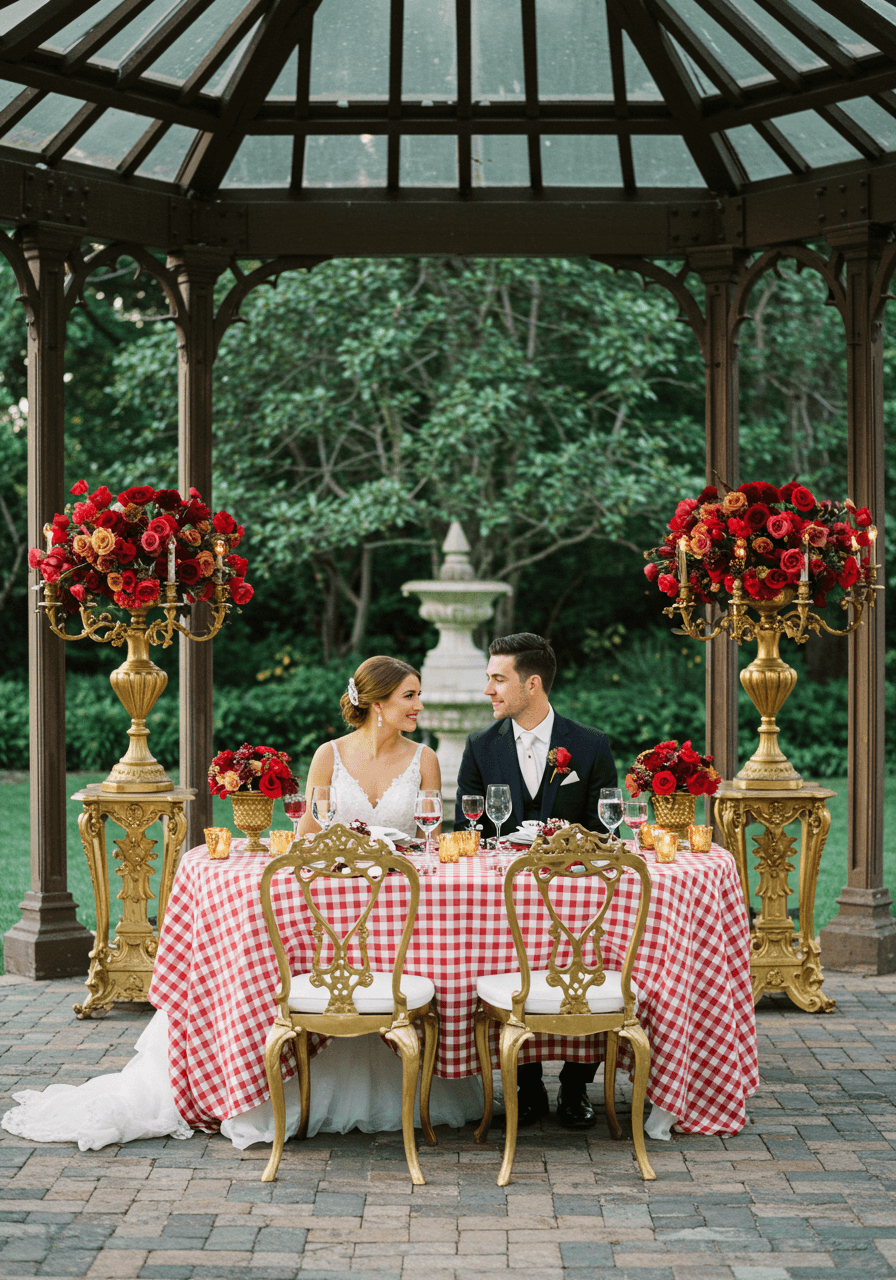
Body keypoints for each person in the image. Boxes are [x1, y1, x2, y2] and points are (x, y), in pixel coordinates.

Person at [454, 632, 618, 1131]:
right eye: (488, 678)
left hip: (576, 890)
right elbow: (469, 828)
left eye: (498, 679)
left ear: (532, 683)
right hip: (504, 892)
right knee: (502, 958)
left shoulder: (590, 744)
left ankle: (575, 1082)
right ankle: (524, 1085)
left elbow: (606, 826)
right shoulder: (481, 747)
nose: (489, 690)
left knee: (592, 961)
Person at [299, 654, 440, 838]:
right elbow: (306, 837)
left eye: (418, 695)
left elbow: (431, 842)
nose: (419, 705)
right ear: (377, 704)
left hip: (407, 867)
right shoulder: (328, 755)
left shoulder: (425, 759)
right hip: (337, 866)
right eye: (409, 696)